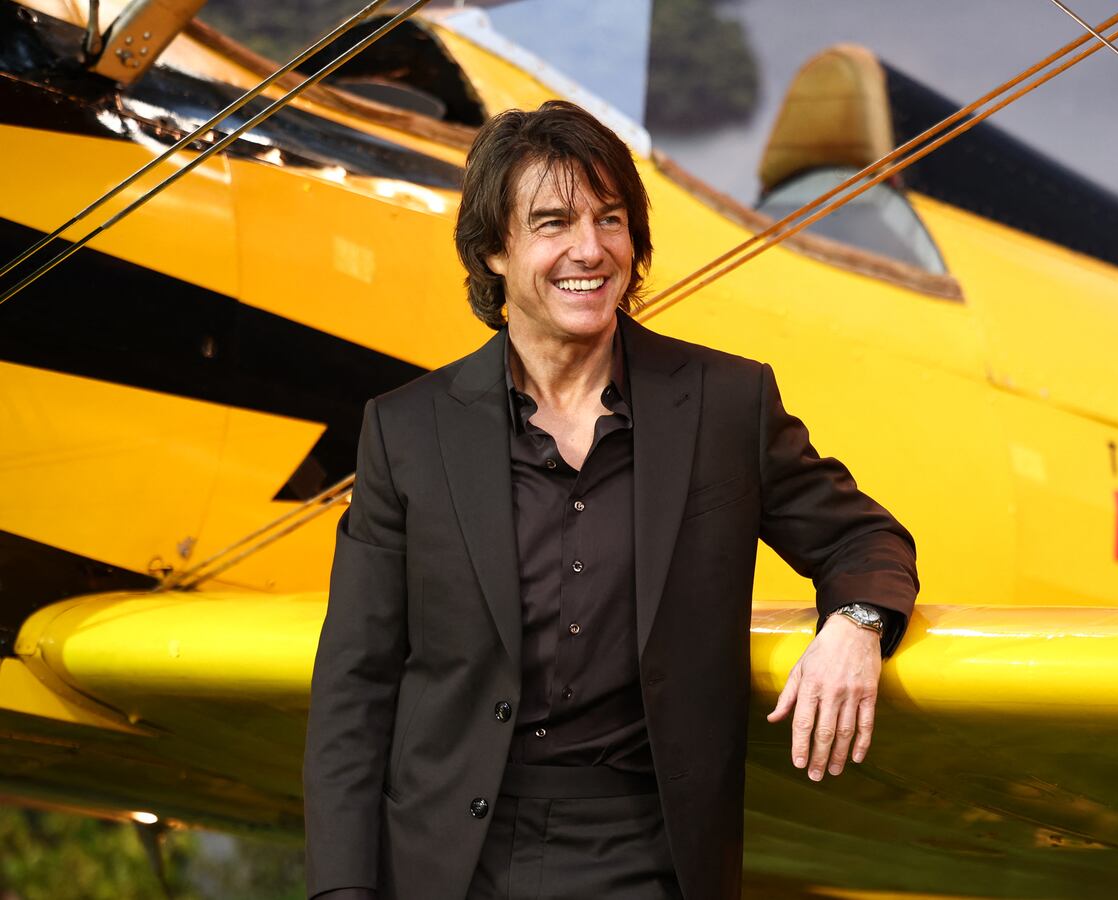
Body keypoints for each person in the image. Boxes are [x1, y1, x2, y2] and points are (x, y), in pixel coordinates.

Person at [303, 100, 918, 900]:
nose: (589, 250)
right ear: (493, 249)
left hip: (650, 860)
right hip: (447, 865)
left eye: (611, 219)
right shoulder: (405, 432)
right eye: (553, 223)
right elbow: (355, 690)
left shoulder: (728, 403)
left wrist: (855, 625)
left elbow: (864, 541)